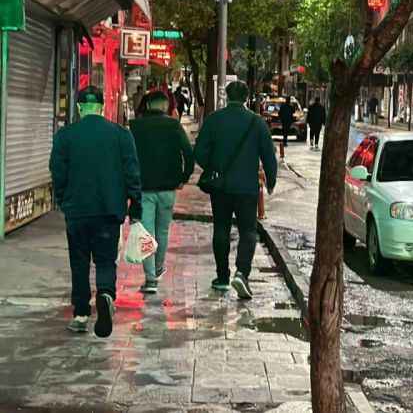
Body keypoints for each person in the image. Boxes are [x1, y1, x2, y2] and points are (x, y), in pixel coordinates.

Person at [49, 86, 142, 338]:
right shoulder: (121, 135)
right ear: (102, 108)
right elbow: (132, 173)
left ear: (79, 108)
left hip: (77, 210)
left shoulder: (65, 136)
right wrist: (135, 205)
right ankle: (105, 293)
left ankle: (80, 314)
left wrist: (63, 200)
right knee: (105, 259)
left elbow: (57, 171)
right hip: (109, 210)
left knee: (79, 262)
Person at [194, 82, 278, 299]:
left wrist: (212, 168)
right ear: (246, 97)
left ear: (227, 96)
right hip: (247, 187)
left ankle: (222, 276)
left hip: (221, 187)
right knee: (248, 231)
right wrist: (271, 181)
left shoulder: (214, 120)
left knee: (221, 228)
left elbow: (199, 151)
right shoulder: (256, 123)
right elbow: (269, 156)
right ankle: (242, 273)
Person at [129, 91, 195, 294]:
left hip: (144, 189)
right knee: (163, 231)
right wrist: (183, 178)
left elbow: (127, 158)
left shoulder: (135, 126)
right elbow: (189, 155)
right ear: (166, 106)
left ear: (148, 105)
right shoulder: (174, 126)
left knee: (146, 233)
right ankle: (158, 269)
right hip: (168, 188)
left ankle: (150, 279)